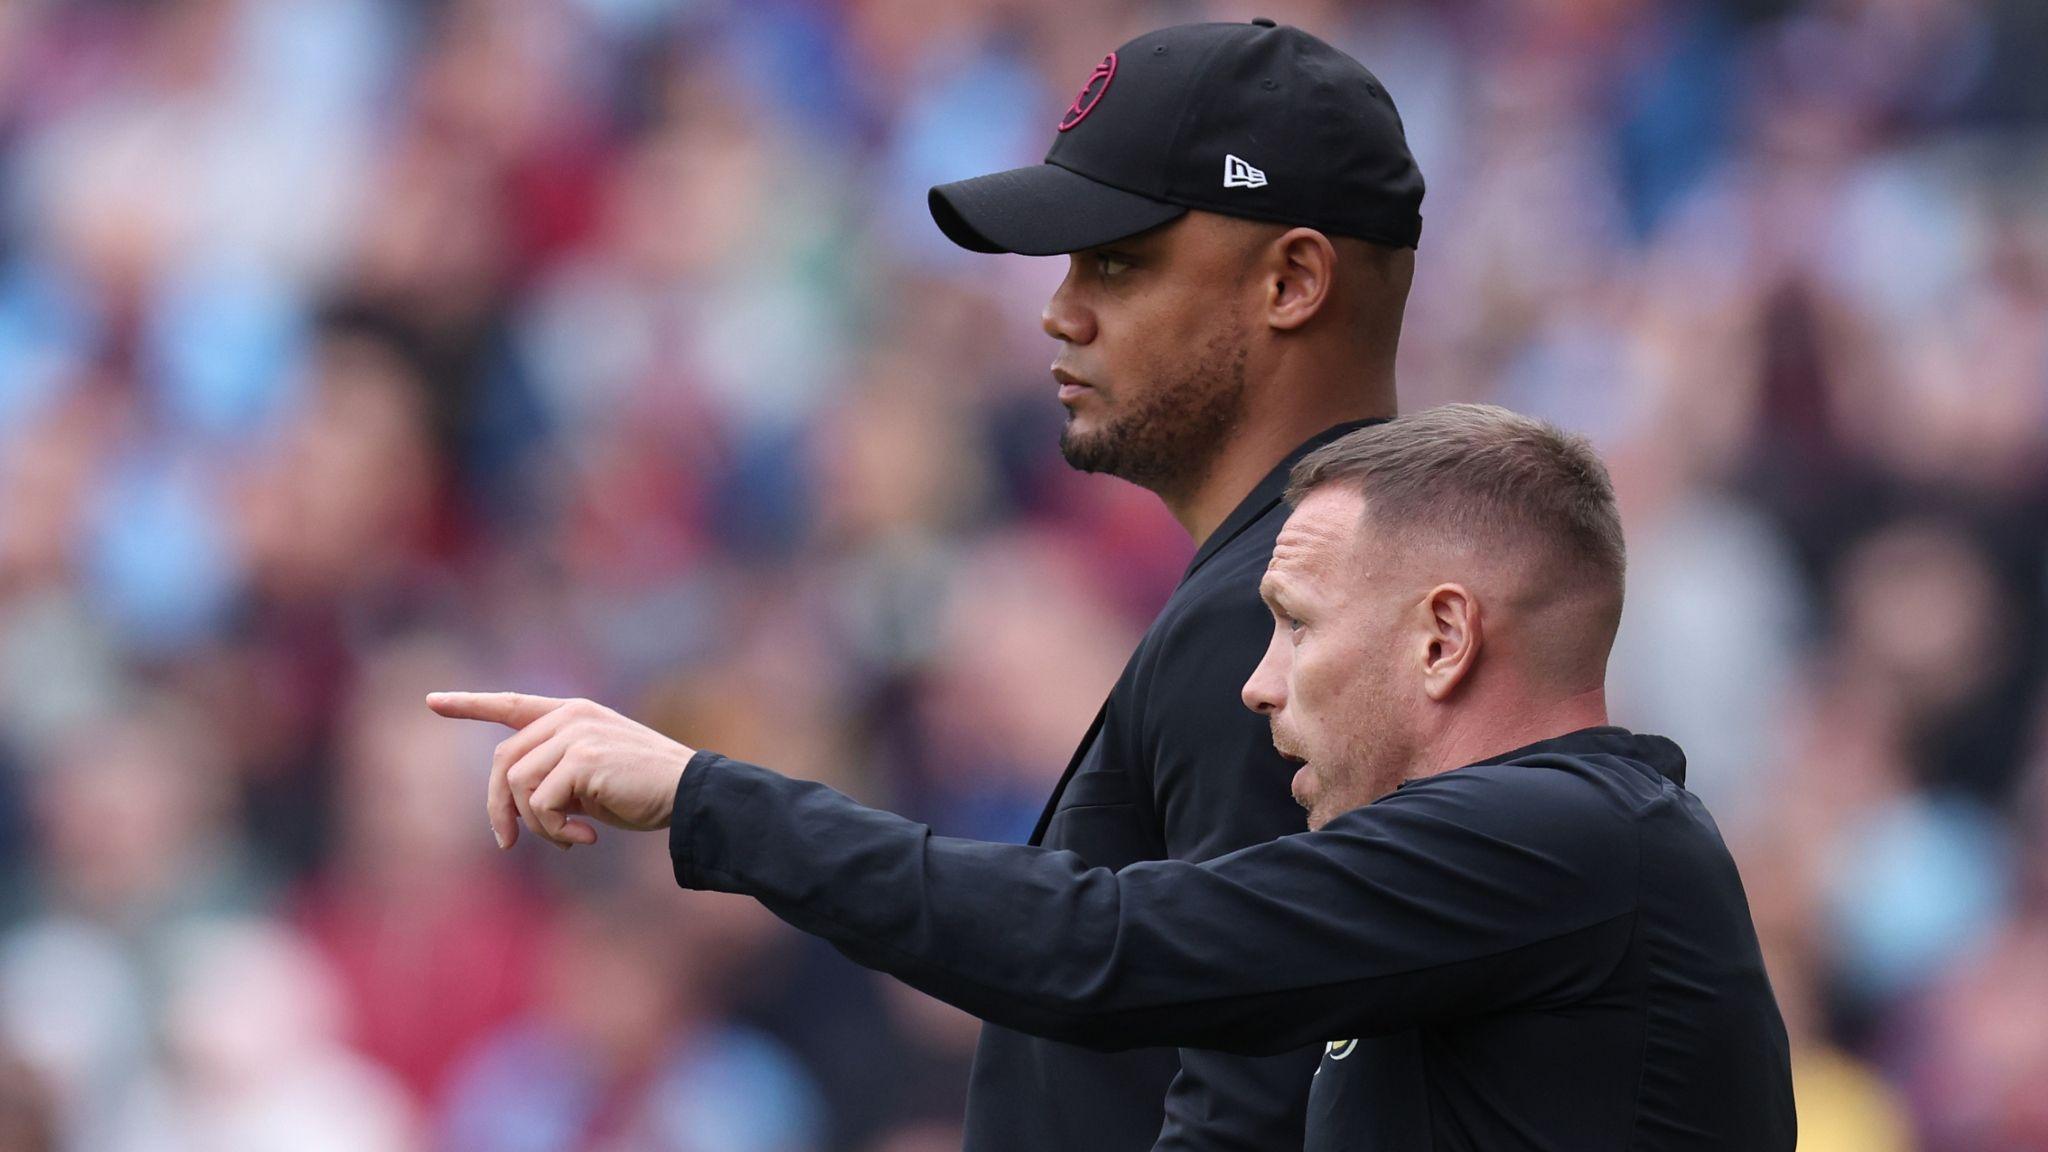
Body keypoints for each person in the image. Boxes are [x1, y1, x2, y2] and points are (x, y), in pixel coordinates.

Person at [429, 404, 1798, 1150]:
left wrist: (702, 794)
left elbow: (1112, 945)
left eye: (1299, 625)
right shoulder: (1515, 886)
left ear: (1442, 637)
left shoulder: (1565, 839)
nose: (1259, 681)